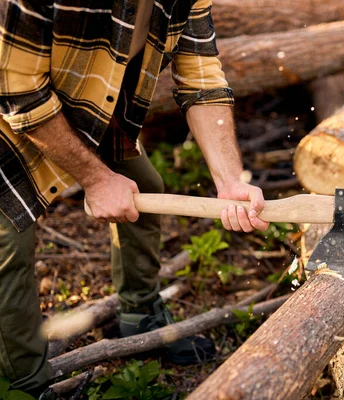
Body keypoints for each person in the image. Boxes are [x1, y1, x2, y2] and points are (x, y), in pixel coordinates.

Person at [0, 0, 268, 397]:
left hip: (85, 106)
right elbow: (17, 92)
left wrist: (229, 180)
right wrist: (95, 178)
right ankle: (25, 385)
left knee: (144, 184)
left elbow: (202, 77)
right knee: (8, 240)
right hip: (11, 100)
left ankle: (139, 315)